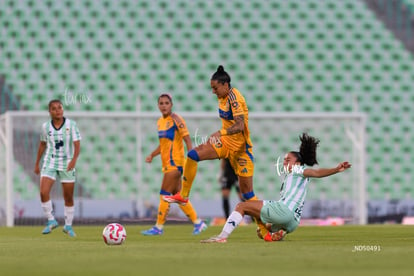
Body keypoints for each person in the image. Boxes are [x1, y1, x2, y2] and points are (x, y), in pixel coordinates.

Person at [164, 65, 268, 237]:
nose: (213, 92)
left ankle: (266, 230)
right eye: (212, 88)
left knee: (248, 195)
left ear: (225, 85)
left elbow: (240, 124)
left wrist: (221, 132)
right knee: (192, 155)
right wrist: (222, 136)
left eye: (215, 88)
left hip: (242, 150)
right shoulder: (223, 97)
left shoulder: (234, 98)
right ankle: (183, 195)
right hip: (226, 144)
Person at [201, 133, 352, 243]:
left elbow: (317, 172)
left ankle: (222, 237)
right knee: (261, 232)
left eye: (288, 160)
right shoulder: (293, 176)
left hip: (284, 211)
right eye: (284, 160)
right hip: (293, 222)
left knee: (241, 206)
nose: (285, 162)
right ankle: (280, 232)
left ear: (297, 163)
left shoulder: (298, 170)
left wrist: (336, 169)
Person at [141, 93, 207, 236]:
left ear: (171, 105)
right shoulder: (160, 122)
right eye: (161, 103)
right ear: (158, 105)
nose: (164, 106)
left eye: (166, 103)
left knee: (164, 194)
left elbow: (187, 139)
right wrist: (152, 155)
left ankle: (158, 227)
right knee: (178, 196)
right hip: (167, 164)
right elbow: (163, 145)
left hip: (175, 164)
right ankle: (198, 223)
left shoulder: (176, 119)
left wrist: (191, 157)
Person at [34, 99, 81, 237]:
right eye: (54, 108)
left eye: (59, 107)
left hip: (67, 163)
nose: (57, 110)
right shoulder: (45, 127)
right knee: (43, 192)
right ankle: (51, 220)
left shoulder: (71, 125)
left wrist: (73, 160)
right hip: (50, 161)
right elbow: (42, 144)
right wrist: (37, 163)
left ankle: (68, 226)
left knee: (68, 196)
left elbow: (77, 144)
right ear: (49, 112)